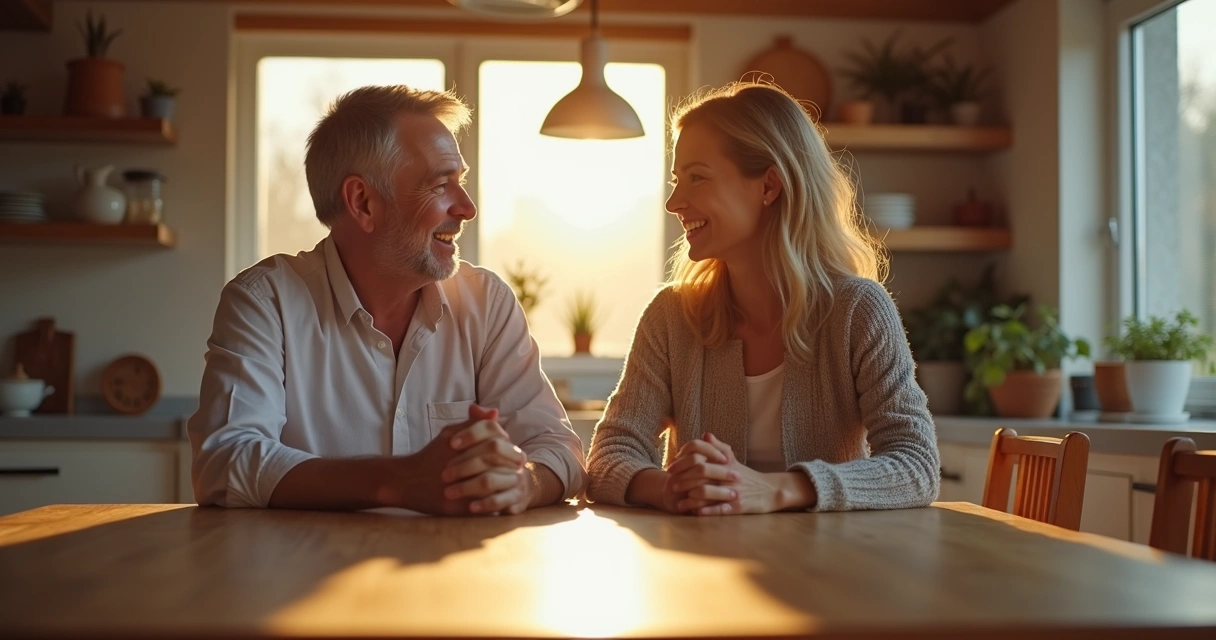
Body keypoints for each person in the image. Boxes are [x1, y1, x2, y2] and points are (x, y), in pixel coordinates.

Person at [188, 85, 586, 515]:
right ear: (363, 202)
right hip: (304, 576)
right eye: (440, 184)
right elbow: (225, 462)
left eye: (462, 181)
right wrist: (397, 482)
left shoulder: (488, 304)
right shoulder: (265, 303)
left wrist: (522, 483)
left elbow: (558, 448)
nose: (467, 207)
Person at [586, 82, 939, 515]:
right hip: (699, 571)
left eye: (697, 177)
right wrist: (673, 489)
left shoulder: (858, 310)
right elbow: (607, 457)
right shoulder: (671, 316)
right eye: (678, 180)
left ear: (769, 185)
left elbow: (916, 465)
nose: (674, 202)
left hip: (832, 570)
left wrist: (776, 489)